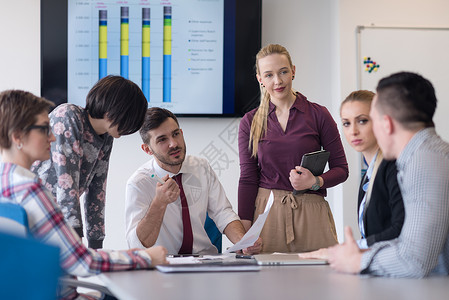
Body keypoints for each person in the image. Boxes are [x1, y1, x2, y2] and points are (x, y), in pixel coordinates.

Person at [0, 90, 167, 300]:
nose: (53, 136)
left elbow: (97, 191)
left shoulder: (7, 182)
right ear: (17, 137)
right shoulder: (32, 191)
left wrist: (96, 244)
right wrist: (144, 257)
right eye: (45, 128)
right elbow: (81, 261)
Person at [326, 72, 449, 278]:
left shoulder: (423, 161)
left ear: (386, 123)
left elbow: (414, 260)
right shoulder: (428, 154)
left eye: (369, 120)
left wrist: (356, 260)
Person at [238, 44, 349, 253]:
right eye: (269, 75)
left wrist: (316, 182)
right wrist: (245, 231)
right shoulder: (250, 122)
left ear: (293, 71)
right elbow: (248, 178)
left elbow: (342, 169)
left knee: (319, 282)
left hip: (311, 212)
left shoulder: (318, 114)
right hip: (267, 214)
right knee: (267, 283)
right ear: (259, 79)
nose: (277, 81)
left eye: (283, 72)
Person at [125, 107, 262, 255]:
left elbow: (223, 213)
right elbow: (137, 245)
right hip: (163, 264)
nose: (174, 144)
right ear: (147, 149)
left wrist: (243, 241)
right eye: (162, 139)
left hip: (204, 261)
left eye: (175, 134)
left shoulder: (201, 167)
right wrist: (159, 203)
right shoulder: (139, 183)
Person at [32, 75, 148, 249]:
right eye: (129, 119)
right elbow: (67, 183)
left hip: (55, 217)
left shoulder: (106, 137)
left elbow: (97, 190)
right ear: (112, 111)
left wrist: (96, 244)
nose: (129, 128)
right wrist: (76, 239)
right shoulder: (69, 116)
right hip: (33, 211)